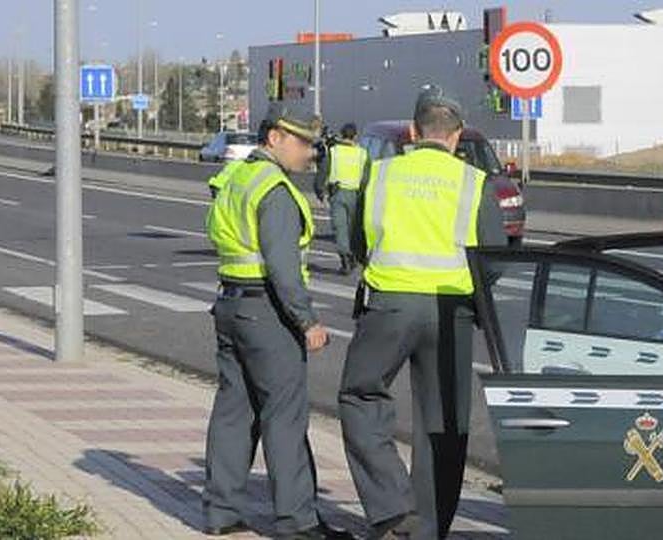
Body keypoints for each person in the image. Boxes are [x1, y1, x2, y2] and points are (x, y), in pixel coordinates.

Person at [338, 86, 507, 539]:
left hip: (389, 304)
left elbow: (358, 240)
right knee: (443, 424)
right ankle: (428, 530)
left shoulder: (382, 174)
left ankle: (393, 505)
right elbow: (494, 258)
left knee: (360, 395)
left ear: (413, 132)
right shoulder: (474, 182)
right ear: (457, 135)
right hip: (452, 312)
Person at [203, 104, 349, 540]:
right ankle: (297, 521)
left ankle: (220, 513)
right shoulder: (276, 190)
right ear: (274, 138)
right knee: (284, 417)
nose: (310, 152)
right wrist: (307, 321)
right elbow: (283, 269)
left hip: (230, 304)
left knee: (233, 413)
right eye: (302, 142)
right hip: (267, 313)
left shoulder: (236, 176)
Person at [315, 123, 370, 275]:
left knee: (340, 228)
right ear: (355, 136)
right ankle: (355, 255)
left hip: (337, 193)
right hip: (355, 195)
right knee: (353, 228)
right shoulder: (362, 154)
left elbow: (323, 172)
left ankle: (345, 258)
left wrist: (319, 191)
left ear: (341, 135)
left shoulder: (333, 152)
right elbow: (366, 177)